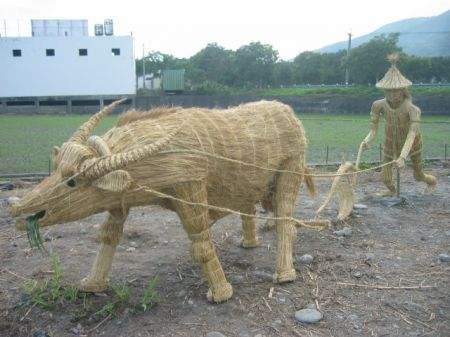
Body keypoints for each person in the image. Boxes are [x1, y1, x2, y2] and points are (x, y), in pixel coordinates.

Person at [360, 53, 437, 196]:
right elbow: (373, 128)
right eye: (389, 91)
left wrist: (402, 157)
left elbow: (412, 134)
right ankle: (393, 193)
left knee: (418, 176)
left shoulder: (412, 109)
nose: (392, 95)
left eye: (395, 92)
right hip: (390, 144)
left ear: (403, 90)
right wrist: (368, 140)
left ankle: (432, 182)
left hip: (412, 145)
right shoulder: (378, 105)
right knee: (386, 178)